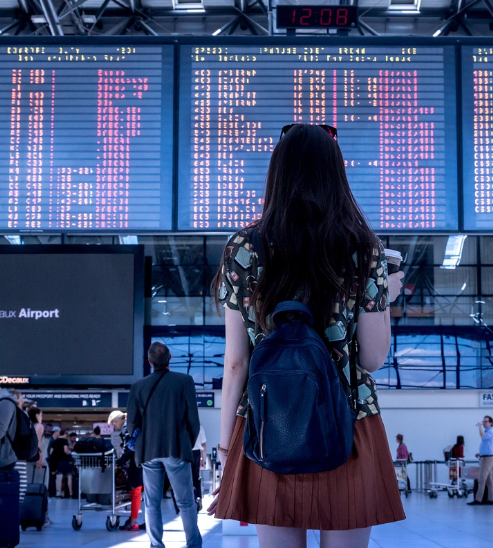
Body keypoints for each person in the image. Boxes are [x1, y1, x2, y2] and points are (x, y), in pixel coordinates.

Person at [207, 124, 406, 548]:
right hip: (349, 421)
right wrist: (384, 297)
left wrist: (226, 446)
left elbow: (236, 361)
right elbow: (372, 358)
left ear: (277, 173)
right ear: (336, 175)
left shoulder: (244, 247)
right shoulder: (363, 248)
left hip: (268, 421)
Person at [127, 342, 201, 548]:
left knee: (152, 503)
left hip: (148, 452)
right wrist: (187, 442)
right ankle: (193, 545)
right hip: (176, 448)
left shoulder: (138, 387)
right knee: (186, 502)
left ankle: (156, 545)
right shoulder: (184, 382)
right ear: (170, 358)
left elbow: (131, 423)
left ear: (150, 362)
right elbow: (193, 420)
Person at [110, 410, 145, 532]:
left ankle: (133, 521)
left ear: (117, 420)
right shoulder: (134, 423)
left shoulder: (126, 425)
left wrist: (120, 460)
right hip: (143, 458)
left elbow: (130, 445)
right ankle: (135, 519)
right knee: (141, 491)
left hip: (135, 462)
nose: (115, 427)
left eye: (114, 424)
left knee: (135, 491)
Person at [468, 416, 493, 506]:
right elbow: (488, 446)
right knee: (489, 480)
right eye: (483, 421)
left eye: (486, 422)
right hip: (485, 457)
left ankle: (478, 499)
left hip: (487, 459)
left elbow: (483, 437)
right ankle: (491, 499)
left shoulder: (491, 431)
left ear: (491, 423)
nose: (484, 423)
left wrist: (479, 427)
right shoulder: (488, 432)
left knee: (481, 479)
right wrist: (481, 453)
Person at [49, 430, 73, 498]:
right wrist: (70, 452)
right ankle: (70, 493)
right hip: (65, 461)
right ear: (65, 434)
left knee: (59, 477)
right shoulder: (64, 441)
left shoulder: (55, 441)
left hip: (58, 461)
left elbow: (51, 452)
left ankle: (58, 493)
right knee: (69, 476)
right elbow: (65, 450)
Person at [191, 425, 207, 510]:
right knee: (196, 478)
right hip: (196, 454)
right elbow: (203, 445)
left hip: (184, 453)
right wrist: (202, 460)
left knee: (185, 478)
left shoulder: (181, 424)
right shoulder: (199, 427)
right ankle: (198, 498)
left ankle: (189, 500)